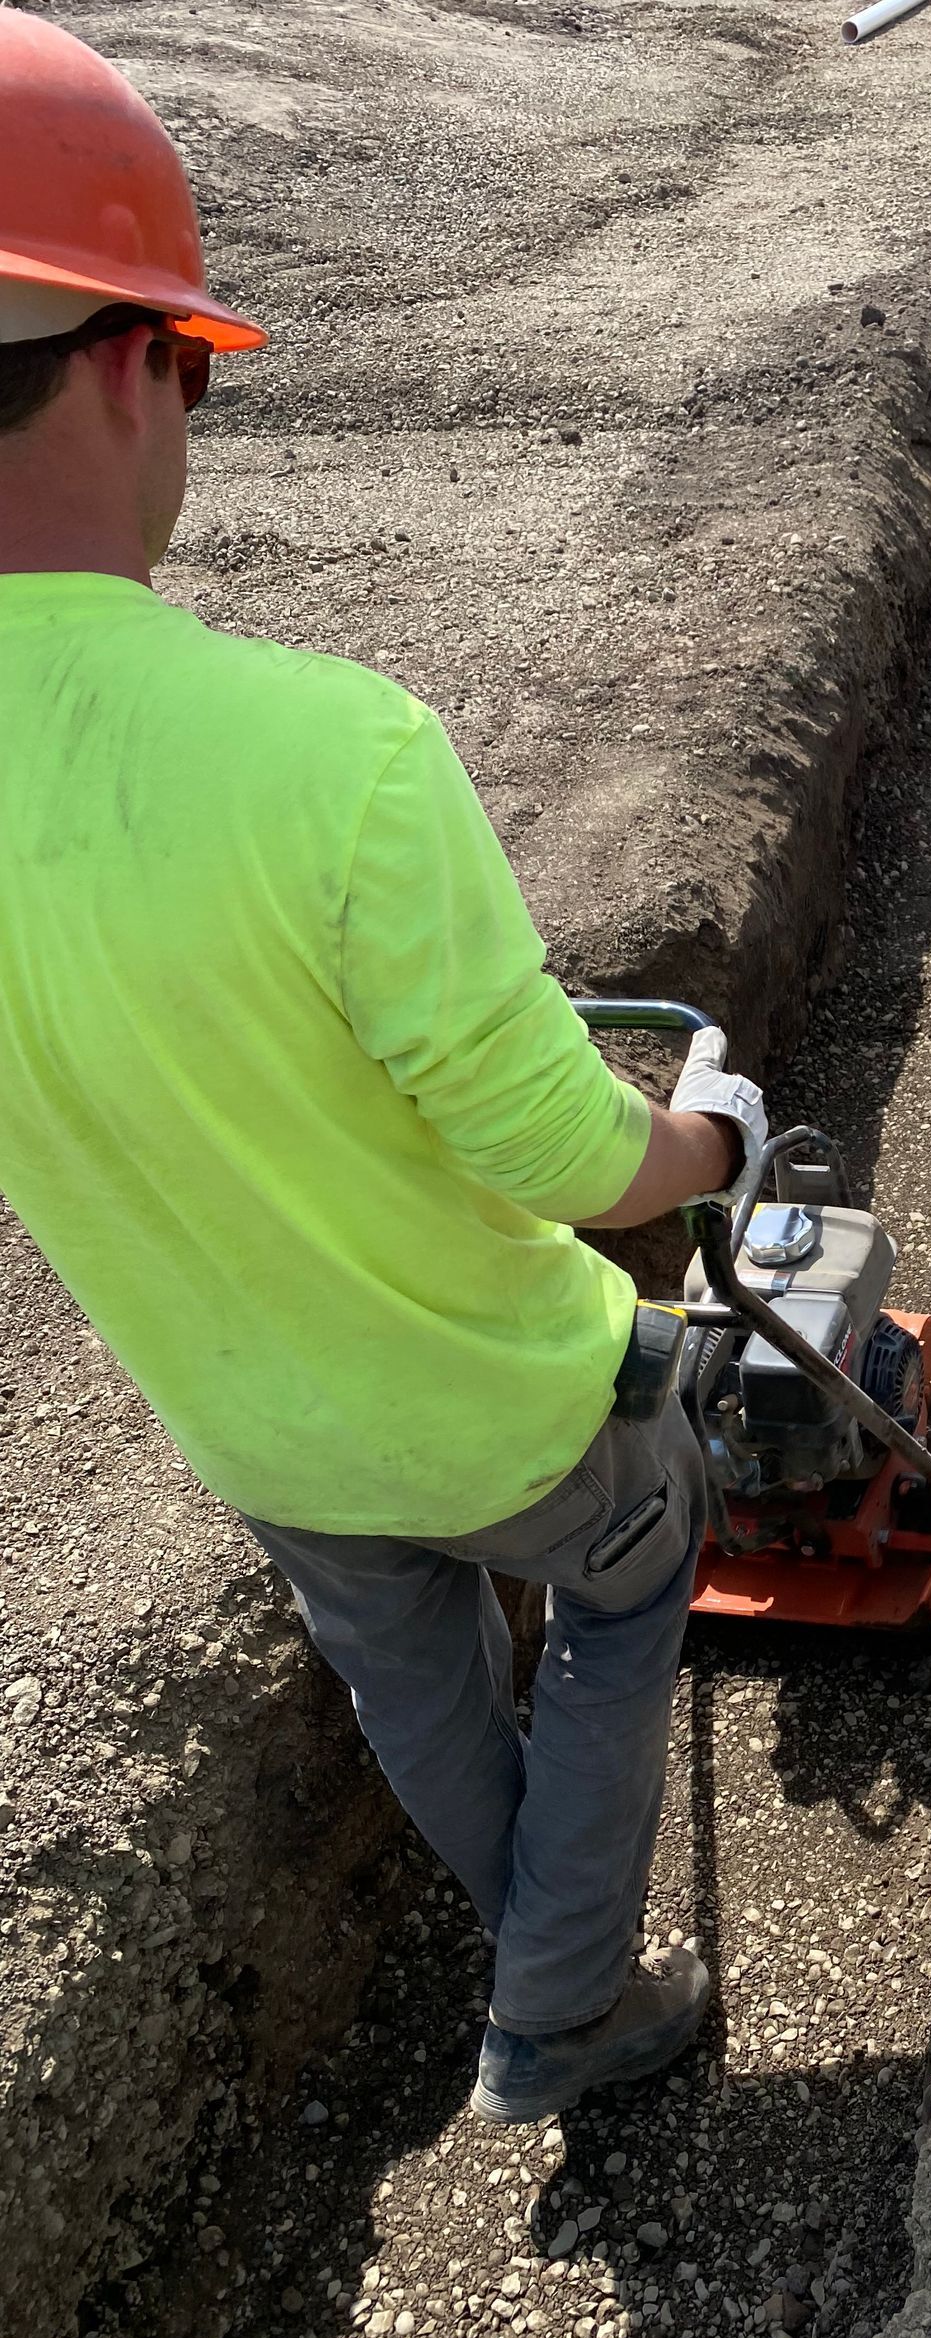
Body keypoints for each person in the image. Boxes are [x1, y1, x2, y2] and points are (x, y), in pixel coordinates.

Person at [0, 15, 765, 2124]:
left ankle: (538, 1933)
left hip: (252, 1415)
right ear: (137, 358)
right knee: (634, 1556)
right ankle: (563, 2002)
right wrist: (709, 1132)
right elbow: (551, 1147)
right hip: (489, 1392)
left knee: (408, 1661)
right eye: (197, 377)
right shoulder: (333, 753)